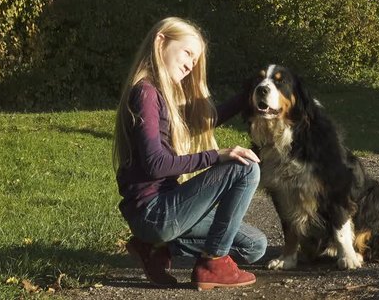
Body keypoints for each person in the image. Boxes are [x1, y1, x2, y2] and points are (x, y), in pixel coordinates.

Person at [112, 17, 266, 290]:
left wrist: (247, 98)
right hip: (155, 211)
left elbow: (199, 123)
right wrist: (217, 155)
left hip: (168, 210)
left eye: (195, 60)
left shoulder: (161, 95)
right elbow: (155, 164)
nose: (190, 64)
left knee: (255, 246)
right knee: (245, 167)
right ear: (161, 42)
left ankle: (155, 247)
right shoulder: (145, 92)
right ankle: (213, 263)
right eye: (187, 53)